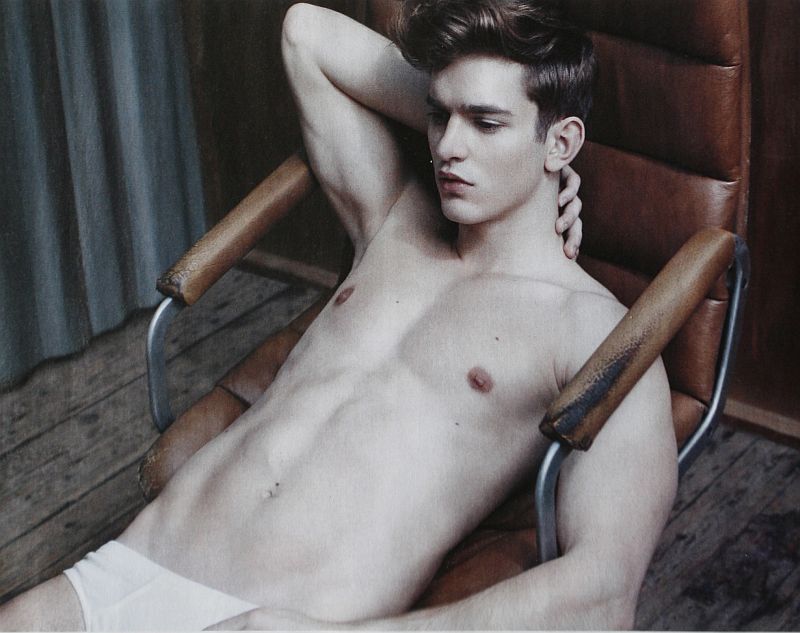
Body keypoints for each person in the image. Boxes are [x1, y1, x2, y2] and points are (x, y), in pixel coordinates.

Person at [0, 1, 677, 629]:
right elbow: (306, 33)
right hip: (128, 569)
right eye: (439, 116)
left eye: (485, 122)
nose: (447, 147)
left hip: (283, 616)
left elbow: (604, 591)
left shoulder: (593, 332)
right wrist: (501, 131)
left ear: (563, 142)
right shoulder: (394, 220)